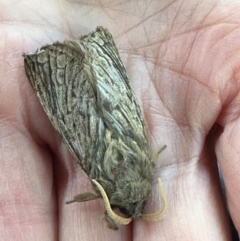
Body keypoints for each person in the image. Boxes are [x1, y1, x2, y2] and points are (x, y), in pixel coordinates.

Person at [0, 0, 239, 240]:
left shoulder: (137, 165)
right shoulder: (111, 177)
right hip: (97, 124)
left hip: (101, 110)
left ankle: (72, 59)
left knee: (88, 116)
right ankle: (70, 60)